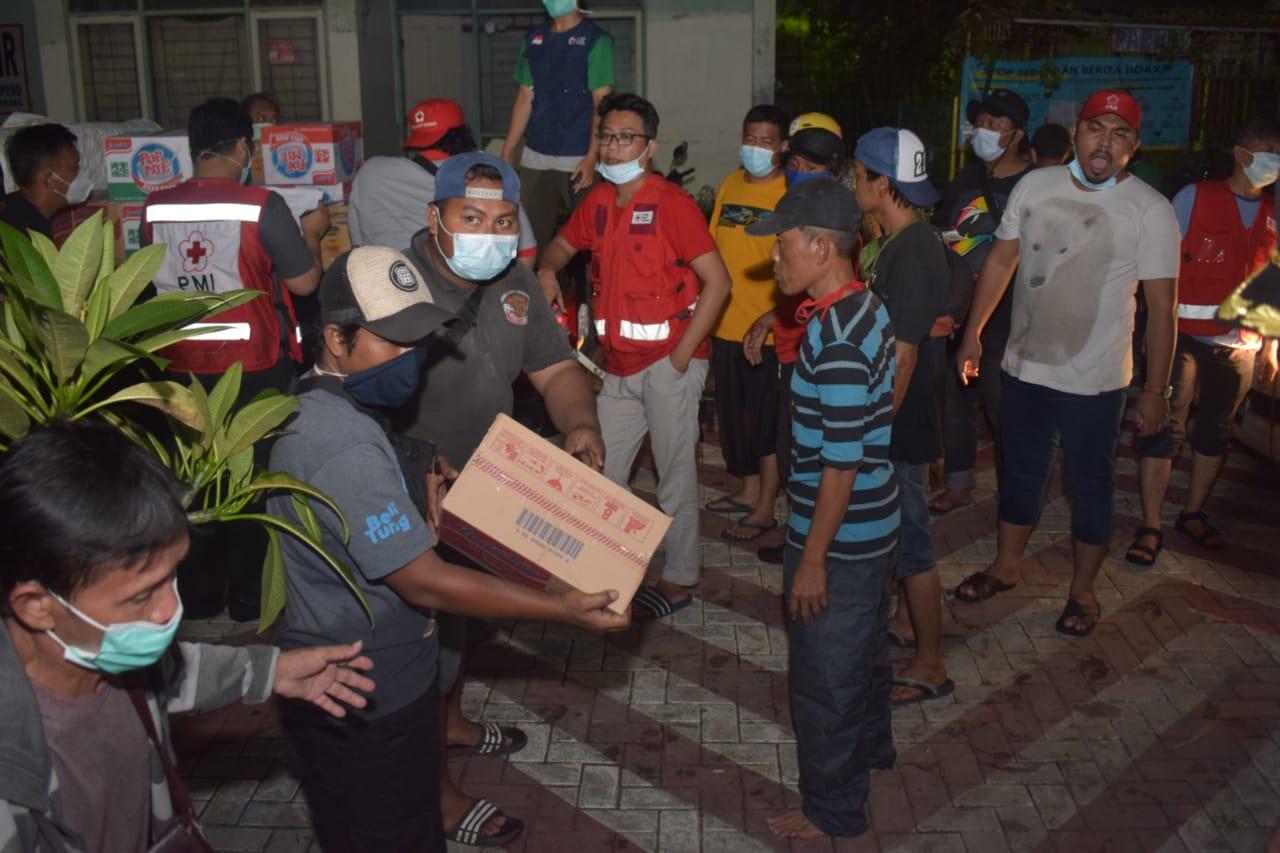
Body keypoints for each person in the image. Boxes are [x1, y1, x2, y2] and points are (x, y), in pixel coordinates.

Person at [269, 244, 628, 852]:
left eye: (420, 342)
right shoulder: (341, 442)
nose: (411, 361)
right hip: (361, 689)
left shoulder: (336, 400)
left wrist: (418, 471)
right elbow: (424, 581)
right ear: (336, 336)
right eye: (392, 342)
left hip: (389, 673)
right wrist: (562, 606)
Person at [0, 421, 375, 853]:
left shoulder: (105, 658)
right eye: (141, 596)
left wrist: (273, 669)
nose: (168, 611)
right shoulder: (13, 770)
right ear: (36, 606)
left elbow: (174, 674)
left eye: (172, 576)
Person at [396, 152, 605, 843]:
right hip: (410, 493)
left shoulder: (516, 279)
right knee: (421, 644)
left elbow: (553, 368)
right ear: (436, 217)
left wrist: (579, 423)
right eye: (472, 217)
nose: (490, 231)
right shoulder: (392, 283)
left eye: (504, 220)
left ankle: (450, 721)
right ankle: (432, 794)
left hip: (487, 490)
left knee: (461, 626)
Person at [954, 90, 1181, 636]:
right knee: (1020, 473)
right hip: (1024, 369)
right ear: (1076, 133)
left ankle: (1082, 592)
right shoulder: (1037, 184)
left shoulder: (1150, 210)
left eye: (1119, 132)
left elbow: (1161, 307)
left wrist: (1157, 389)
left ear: (1135, 145)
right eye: (1095, 128)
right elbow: (1002, 261)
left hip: (1096, 382)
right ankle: (1006, 567)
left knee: (1091, 485)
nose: (1105, 141)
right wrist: (973, 335)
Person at [537, 93, 732, 620]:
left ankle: (679, 579)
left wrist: (683, 356)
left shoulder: (672, 205)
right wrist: (548, 269)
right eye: (606, 136)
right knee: (600, 474)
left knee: (674, 476)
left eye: (625, 136)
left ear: (650, 146)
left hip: (670, 362)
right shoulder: (599, 203)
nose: (613, 145)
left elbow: (719, 283)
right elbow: (559, 246)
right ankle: (616, 563)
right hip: (617, 368)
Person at [742, 179, 898, 841]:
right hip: (874, 527)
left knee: (826, 679)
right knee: (864, 657)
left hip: (839, 537)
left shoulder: (835, 338)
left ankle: (831, 810)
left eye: (780, 249)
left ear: (818, 247)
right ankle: (871, 752)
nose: (772, 261)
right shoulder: (863, 309)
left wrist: (812, 559)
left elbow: (841, 462)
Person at [143, 96, 329, 622]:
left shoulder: (154, 208)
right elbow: (305, 282)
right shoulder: (260, 205)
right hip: (252, 367)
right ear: (244, 146)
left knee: (192, 480)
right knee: (250, 481)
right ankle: (248, 597)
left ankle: (199, 597)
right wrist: (312, 234)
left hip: (177, 370)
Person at [1127, 116, 1280, 565]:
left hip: (1242, 345)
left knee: (1216, 431)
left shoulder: (1274, 213)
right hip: (1182, 337)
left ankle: (1193, 514)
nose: (1275, 158)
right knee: (1164, 427)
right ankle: (1150, 524)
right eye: (1268, 147)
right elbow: (1158, 259)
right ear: (1242, 152)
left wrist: (1271, 343)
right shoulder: (1196, 197)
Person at [852, 127, 953, 706]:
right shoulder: (895, 243)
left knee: (913, 542)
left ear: (882, 183)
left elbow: (905, 358)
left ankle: (932, 663)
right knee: (898, 538)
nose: (852, 183)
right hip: (897, 420)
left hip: (901, 424)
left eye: (858, 174)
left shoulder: (914, 250)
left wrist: (873, 432)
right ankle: (912, 627)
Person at [744, 116, 848, 566]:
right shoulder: (792, 209)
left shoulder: (834, 221)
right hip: (793, 355)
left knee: (820, 456)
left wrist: (811, 567)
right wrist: (771, 318)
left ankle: (812, 547)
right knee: (794, 449)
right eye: (795, 163)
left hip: (816, 355)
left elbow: (842, 463)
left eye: (812, 166)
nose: (800, 172)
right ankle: (800, 531)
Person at [930, 88, 1035, 516]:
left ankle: (1017, 493)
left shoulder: (1035, 184)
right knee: (954, 401)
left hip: (1011, 318)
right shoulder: (965, 179)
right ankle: (958, 485)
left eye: (996, 125)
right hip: (959, 310)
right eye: (982, 124)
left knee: (1002, 408)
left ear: (1017, 134)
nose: (985, 132)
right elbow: (943, 231)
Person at [704, 104, 790, 543]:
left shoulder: (790, 192)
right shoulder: (731, 182)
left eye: (766, 141)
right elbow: (713, 244)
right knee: (734, 419)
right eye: (749, 139)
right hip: (725, 324)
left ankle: (765, 509)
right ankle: (748, 490)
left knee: (766, 423)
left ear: (783, 147)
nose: (755, 148)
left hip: (768, 333)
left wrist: (775, 317)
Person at [348, 98, 537, 267]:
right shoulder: (486, 181)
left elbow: (356, 246)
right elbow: (526, 252)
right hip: (456, 294)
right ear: (463, 135)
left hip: (384, 288)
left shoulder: (370, 172)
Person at [500, 0, 614, 257]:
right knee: (528, 242)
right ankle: (535, 294)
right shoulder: (533, 40)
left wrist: (592, 156)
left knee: (589, 244)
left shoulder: (597, 41)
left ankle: (590, 297)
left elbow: (602, 104)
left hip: (579, 158)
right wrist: (508, 151)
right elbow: (524, 98)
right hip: (536, 156)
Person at [1, 123, 89, 241]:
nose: (80, 174)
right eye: (74, 167)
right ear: (50, 179)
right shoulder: (32, 238)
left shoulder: (12, 207)